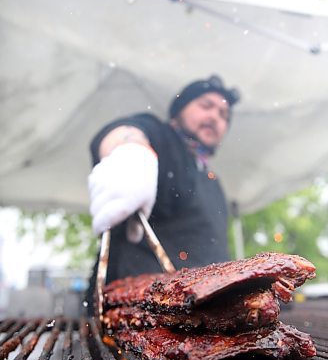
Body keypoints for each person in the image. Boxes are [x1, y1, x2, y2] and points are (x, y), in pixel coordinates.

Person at [86, 75, 240, 306]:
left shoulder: (213, 181)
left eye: (223, 115)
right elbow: (126, 131)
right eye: (206, 105)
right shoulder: (162, 137)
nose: (215, 117)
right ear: (179, 110)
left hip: (205, 309)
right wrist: (131, 150)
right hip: (137, 306)